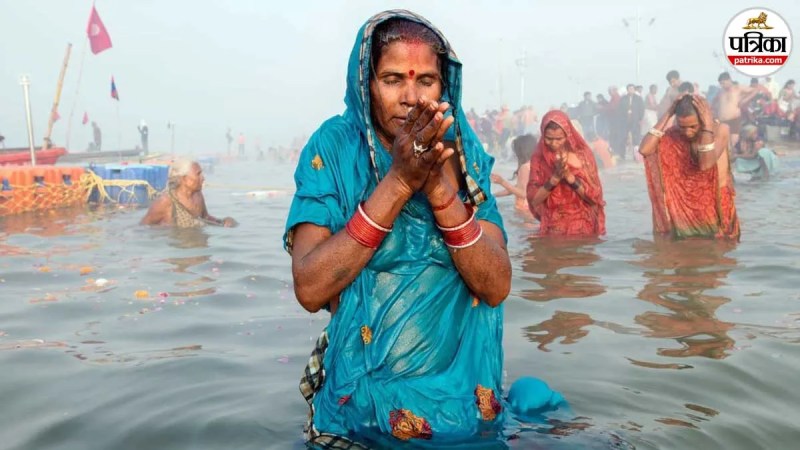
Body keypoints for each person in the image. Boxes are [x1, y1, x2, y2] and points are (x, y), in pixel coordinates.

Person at [284, 11, 565, 448]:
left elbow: (495, 285)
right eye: (393, 79)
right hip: (365, 410)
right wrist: (398, 180)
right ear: (366, 83)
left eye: (426, 81)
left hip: (465, 405)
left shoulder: (462, 147)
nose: (411, 97)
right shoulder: (334, 147)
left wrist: (436, 184)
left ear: (444, 85)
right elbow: (310, 287)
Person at [639, 94, 740, 240]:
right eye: (682, 126)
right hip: (684, 211)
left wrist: (706, 127)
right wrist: (668, 113)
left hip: (716, 207)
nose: (687, 132)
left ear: (703, 118)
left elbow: (705, 164)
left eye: (693, 126)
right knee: (685, 253)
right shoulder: (674, 134)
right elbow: (645, 150)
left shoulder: (720, 130)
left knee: (717, 254)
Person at [525, 110, 606, 236]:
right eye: (549, 138)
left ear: (567, 135)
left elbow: (594, 199)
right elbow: (534, 201)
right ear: (542, 135)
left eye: (559, 139)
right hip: (553, 227)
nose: (554, 143)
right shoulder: (539, 159)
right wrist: (555, 179)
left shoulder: (583, 156)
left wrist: (570, 177)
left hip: (582, 225)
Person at [140, 159, 237, 227]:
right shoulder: (165, 202)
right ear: (183, 179)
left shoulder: (198, 195)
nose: (203, 178)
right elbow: (143, 227)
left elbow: (205, 217)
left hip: (199, 247)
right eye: (198, 174)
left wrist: (222, 221)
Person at [491, 134, 535, 212]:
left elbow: (524, 193)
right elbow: (516, 188)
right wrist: (493, 195)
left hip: (524, 209)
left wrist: (502, 182)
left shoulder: (525, 167)